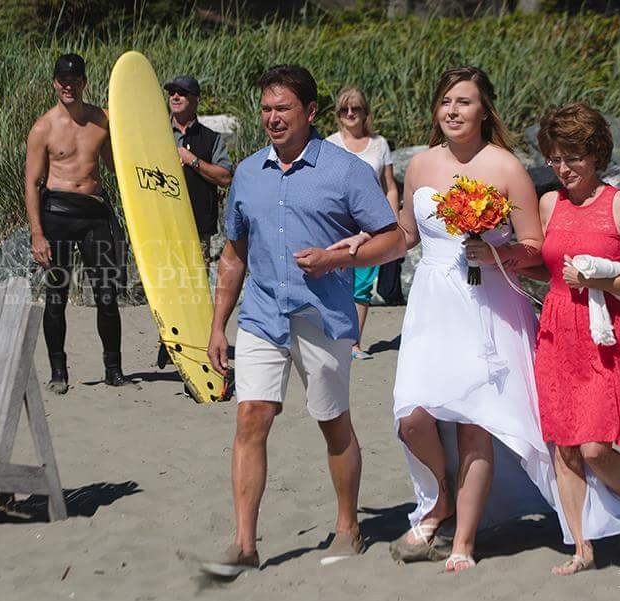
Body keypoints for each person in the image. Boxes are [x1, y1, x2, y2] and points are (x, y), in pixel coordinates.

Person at [339, 67, 620, 572]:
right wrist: (360, 246)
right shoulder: (419, 165)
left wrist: (494, 246)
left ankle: (462, 542)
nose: (453, 110)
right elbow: (405, 236)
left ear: (485, 111)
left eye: (464, 102)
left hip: (490, 304)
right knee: (412, 417)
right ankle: (441, 496)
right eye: (446, 102)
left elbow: (535, 249)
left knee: (476, 423)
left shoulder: (506, 168)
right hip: (433, 302)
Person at [200, 64, 405, 577]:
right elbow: (233, 255)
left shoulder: (346, 171)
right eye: (266, 108)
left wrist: (339, 260)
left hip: (324, 317)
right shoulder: (246, 173)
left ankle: (347, 526)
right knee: (251, 418)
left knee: (332, 423)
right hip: (262, 316)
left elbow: (392, 240)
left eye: (283, 108)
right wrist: (216, 325)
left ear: (310, 112)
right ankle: (245, 542)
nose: (272, 118)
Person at [521, 101, 620, 575]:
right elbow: (546, 266)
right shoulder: (548, 203)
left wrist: (597, 282)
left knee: (596, 447)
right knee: (563, 443)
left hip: (605, 335)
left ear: (595, 154)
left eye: (572, 157)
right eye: (555, 159)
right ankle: (581, 546)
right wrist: (507, 258)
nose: (562, 168)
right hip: (558, 329)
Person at [24, 53, 126, 393]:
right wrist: (38, 234)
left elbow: (116, 166)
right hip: (58, 215)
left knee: (107, 294)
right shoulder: (43, 128)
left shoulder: (102, 119)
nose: (68, 86)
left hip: (95, 214)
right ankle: (58, 372)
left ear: (84, 82)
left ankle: (113, 369)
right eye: (62, 81)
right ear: (55, 83)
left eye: (75, 80)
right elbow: (32, 184)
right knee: (57, 295)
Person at [156, 74, 234, 371]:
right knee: (166, 285)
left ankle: (194, 344)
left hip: (197, 226)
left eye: (183, 93)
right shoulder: (157, 133)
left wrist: (192, 160)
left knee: (194, 288)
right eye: (172, 92)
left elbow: (225, 177)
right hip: (162, 224)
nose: (175, 96)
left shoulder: (211, 139)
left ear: (195, 100)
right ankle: (167, 341)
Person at [325, 86, 399, 360]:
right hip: (338, 223)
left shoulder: (380, 144)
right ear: (338, 114)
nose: (350, 114)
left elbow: (390, 186)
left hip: (370, 224)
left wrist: (392, 223)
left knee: (362, 284)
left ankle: (354, 344)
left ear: (365, 112)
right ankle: (332, 340)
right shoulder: (330, 143)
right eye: (344, 109)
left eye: (355, 108)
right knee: (335, 280)